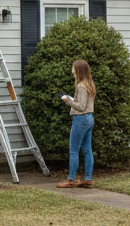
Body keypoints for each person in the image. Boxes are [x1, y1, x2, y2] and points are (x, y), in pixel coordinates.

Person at [56, 59, 96, 189]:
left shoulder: (81, 86)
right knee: (87, 150)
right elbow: (84, 104)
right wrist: (73, 99)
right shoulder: (89, 84)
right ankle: (87, 180)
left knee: (74, 150)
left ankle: (70, 180)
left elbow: (80, 106)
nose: (72, 70)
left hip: (81, 119)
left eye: (73, 68)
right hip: (89, 118)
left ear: (78, 70)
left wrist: (68, 101)